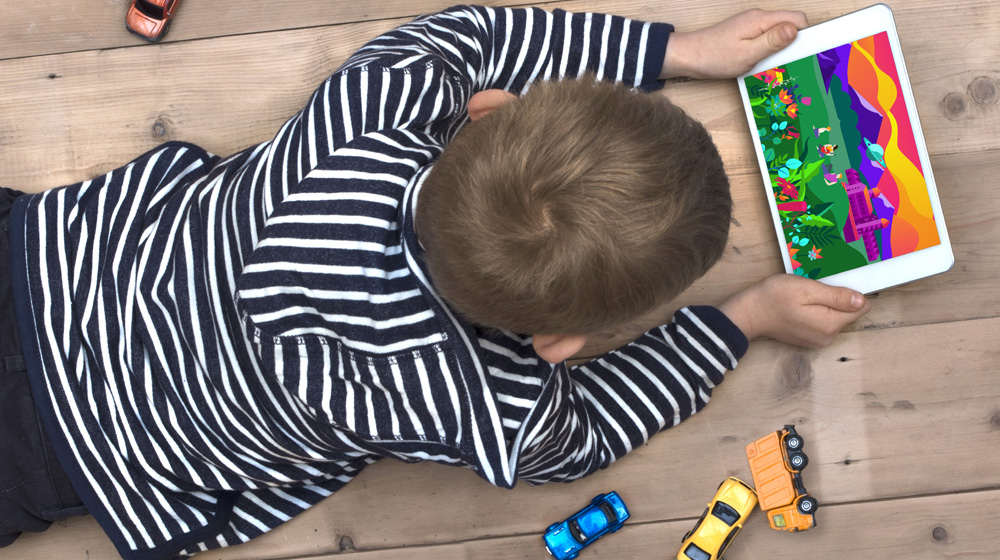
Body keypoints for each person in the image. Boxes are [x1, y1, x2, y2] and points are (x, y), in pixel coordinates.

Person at [1, 5, 870, 559]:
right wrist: (741, 320)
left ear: (488, 110)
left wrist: (675, 50)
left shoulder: (385, 97)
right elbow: (586, 434)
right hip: (76, 450)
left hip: (42, 263)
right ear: (559, 343)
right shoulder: (486, 399)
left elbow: (482, 35)